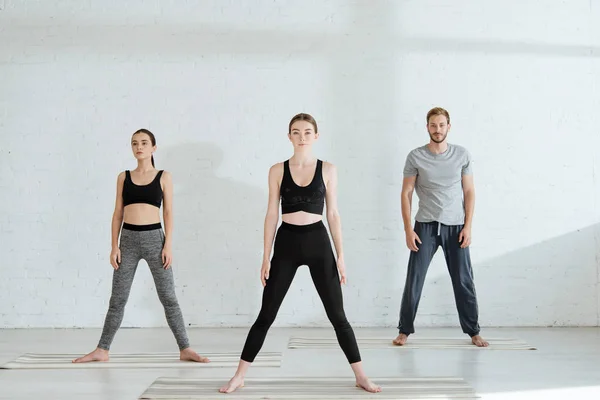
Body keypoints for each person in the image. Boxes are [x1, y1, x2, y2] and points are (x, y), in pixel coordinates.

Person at [219, 114, 381, 393]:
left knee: (337, 315)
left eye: (307, 132)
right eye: (296, 132)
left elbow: (333, 213)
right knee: (266, 314)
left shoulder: (328, 169)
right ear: (289, 137)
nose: (302, 136)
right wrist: (265, 256)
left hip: (318, 242)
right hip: (287, 243)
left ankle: (361, 375)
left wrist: (341, 256)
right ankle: (239, 375)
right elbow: (271, 214)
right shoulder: (277, 170)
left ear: (316, 136)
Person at [73, 129, 209, 363]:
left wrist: (168, 245)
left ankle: (185, 348)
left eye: (144, 143)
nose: (139, 147)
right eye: (135, 143)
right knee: (118, 298)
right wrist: (114, 246)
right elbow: (117, 213)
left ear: (153, 148)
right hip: (128, 240)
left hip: (155, 239)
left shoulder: (163, 176)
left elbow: (168, 212)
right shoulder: (123, 177)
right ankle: (102, 349)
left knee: (168, 296)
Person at [393, 107, 488, 348]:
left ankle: (473, 331)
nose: (438, 129)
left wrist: (468, 226)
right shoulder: (416, 156)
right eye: (433, 125)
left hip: (456, 227)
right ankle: (404, 330)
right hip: (424, 226)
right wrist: (407, 229)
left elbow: (469, 191)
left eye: (442, 125)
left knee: (464, 280)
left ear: (449, 126)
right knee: (414, 279)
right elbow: (406, 194)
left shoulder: (462, 155)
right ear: (427, 127)